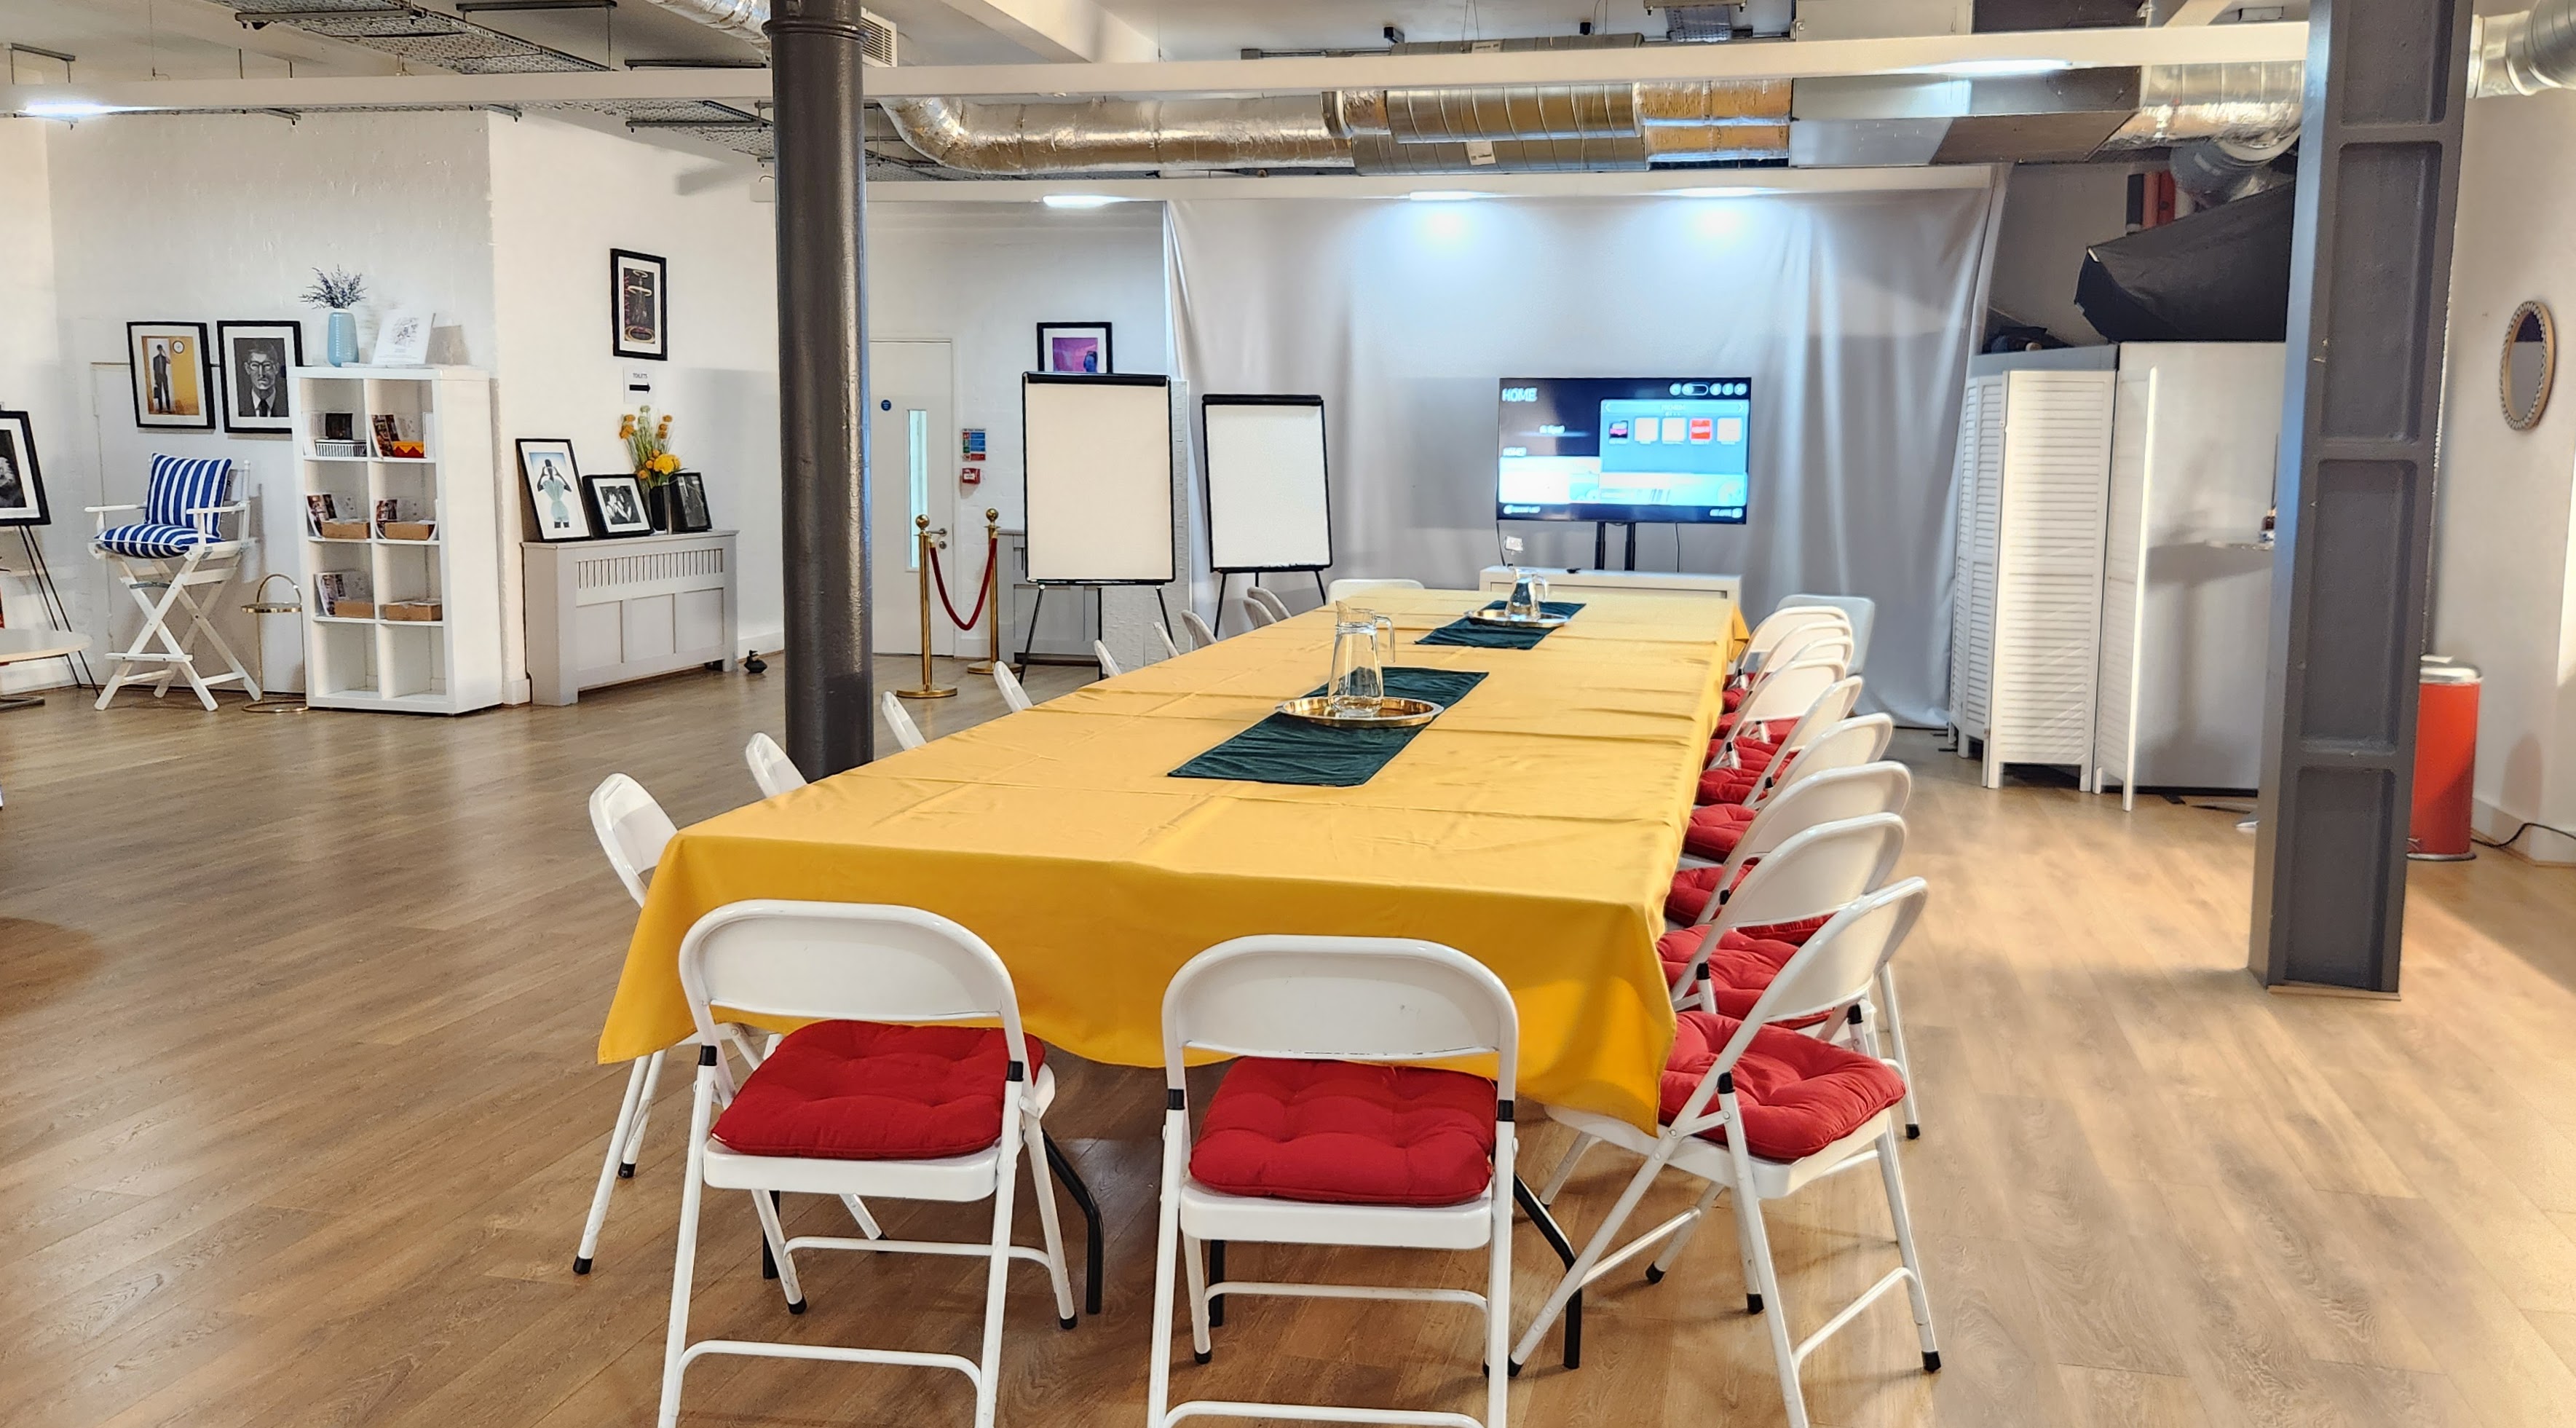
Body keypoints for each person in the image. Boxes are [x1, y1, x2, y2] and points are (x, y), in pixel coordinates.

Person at [237, 343, 284, 419]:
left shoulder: (290, 404)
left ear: (277, 368)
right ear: (247, 368)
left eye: (267, 365)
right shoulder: (239, 404)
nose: (261, 374)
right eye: (255, 365)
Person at [149, 342, 173, 415]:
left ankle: (168, 408)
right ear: (157, 349)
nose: (160, 350)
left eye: (161, 349)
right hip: (158, 377)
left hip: (164, 376)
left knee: (166, 391)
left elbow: (169, 362)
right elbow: (154, 370)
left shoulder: (164, 358)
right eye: (159, 349)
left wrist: (165, 353)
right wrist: (155, 380)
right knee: (159, 393)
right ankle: (160, 408)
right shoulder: (155, 359)